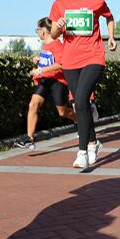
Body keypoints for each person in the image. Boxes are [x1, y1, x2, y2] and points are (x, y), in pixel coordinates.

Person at [50, 0, 117, 169]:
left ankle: (82, 153)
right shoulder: (59, 5)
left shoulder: (97, 1)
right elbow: (52, 34)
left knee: (80, 100)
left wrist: (112, 37)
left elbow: (110, 17)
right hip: (70, 60)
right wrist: (58, 28)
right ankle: (93, 142)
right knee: (80, 104)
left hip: (93, 57)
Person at [16, 18, 77, 150]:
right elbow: (49, 61)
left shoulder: (57, 45)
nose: (37, 32)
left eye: (38, 30)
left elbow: (61, 64)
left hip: (57, 81)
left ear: (44, 31)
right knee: (33, 104)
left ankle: (81, 120)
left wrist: (40, 69)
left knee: (62, 112)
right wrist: (39, 60)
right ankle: (29, 138)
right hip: (44, 80)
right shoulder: (45, 45)